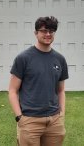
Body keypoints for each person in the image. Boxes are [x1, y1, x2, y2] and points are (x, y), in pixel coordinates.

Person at [8, 16, 69, 146]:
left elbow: (61, 90)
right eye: (44, 30)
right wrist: (20, 117)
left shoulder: (60, 59)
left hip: (54, 121)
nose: (48, 34)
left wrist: (61, 115)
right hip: (30, 120)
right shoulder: (23, 58)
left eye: (51, 31)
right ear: (36, 33)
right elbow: (13, 91)